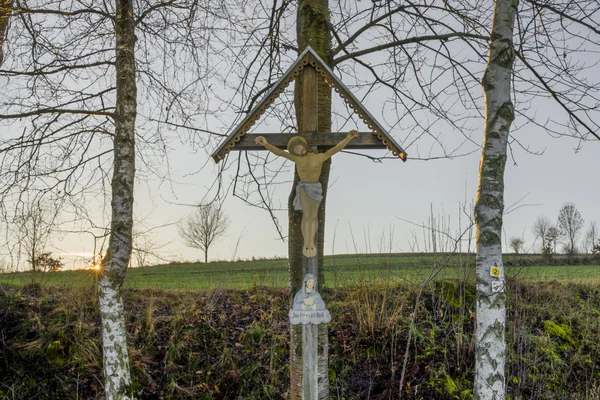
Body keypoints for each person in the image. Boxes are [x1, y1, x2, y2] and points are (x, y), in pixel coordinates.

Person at [255, 130, 358, 257]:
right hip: (304, 187)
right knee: (306, 215)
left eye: (299, 147)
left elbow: (335, 149)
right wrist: (266, 144)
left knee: (313, 216)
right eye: (296, 150)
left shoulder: (319, 157)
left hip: (315, 188)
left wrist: (348, 138)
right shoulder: (297, 159)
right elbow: (280, 153)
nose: (299, 151)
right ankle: (306, 243)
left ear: (304, 146)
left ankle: (311, 242)